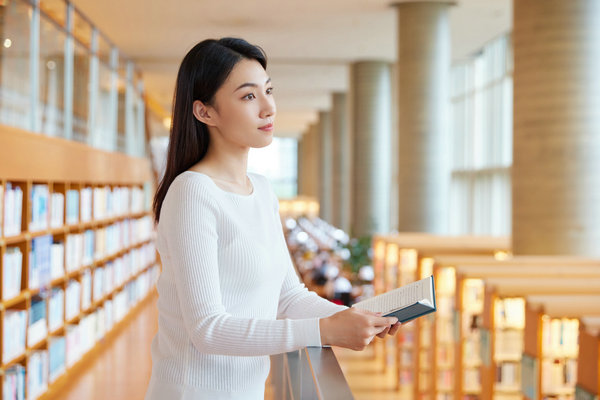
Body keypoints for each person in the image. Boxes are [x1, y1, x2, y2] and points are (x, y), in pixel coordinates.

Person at [145, 37, 400, 400]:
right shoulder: (192, 192)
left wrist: (359, 316)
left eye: (268, 91)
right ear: (205, 112)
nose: (268, 108)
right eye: (249, 96)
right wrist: (325, 331)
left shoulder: (262, 190)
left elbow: (287, 296)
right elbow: (207, 329)